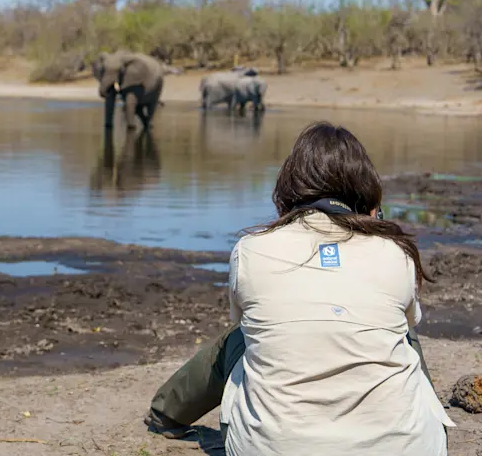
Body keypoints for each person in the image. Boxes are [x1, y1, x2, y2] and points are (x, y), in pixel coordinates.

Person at [143, 121, 454, 455]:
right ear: (367, 195)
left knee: (240, 338)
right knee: (403, 334)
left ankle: (166, 414)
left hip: (271, 448)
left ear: (288, 193)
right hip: (407, 448)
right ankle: (415, 422)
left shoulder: (252, 250)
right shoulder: (397, 254)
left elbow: (243, 328)